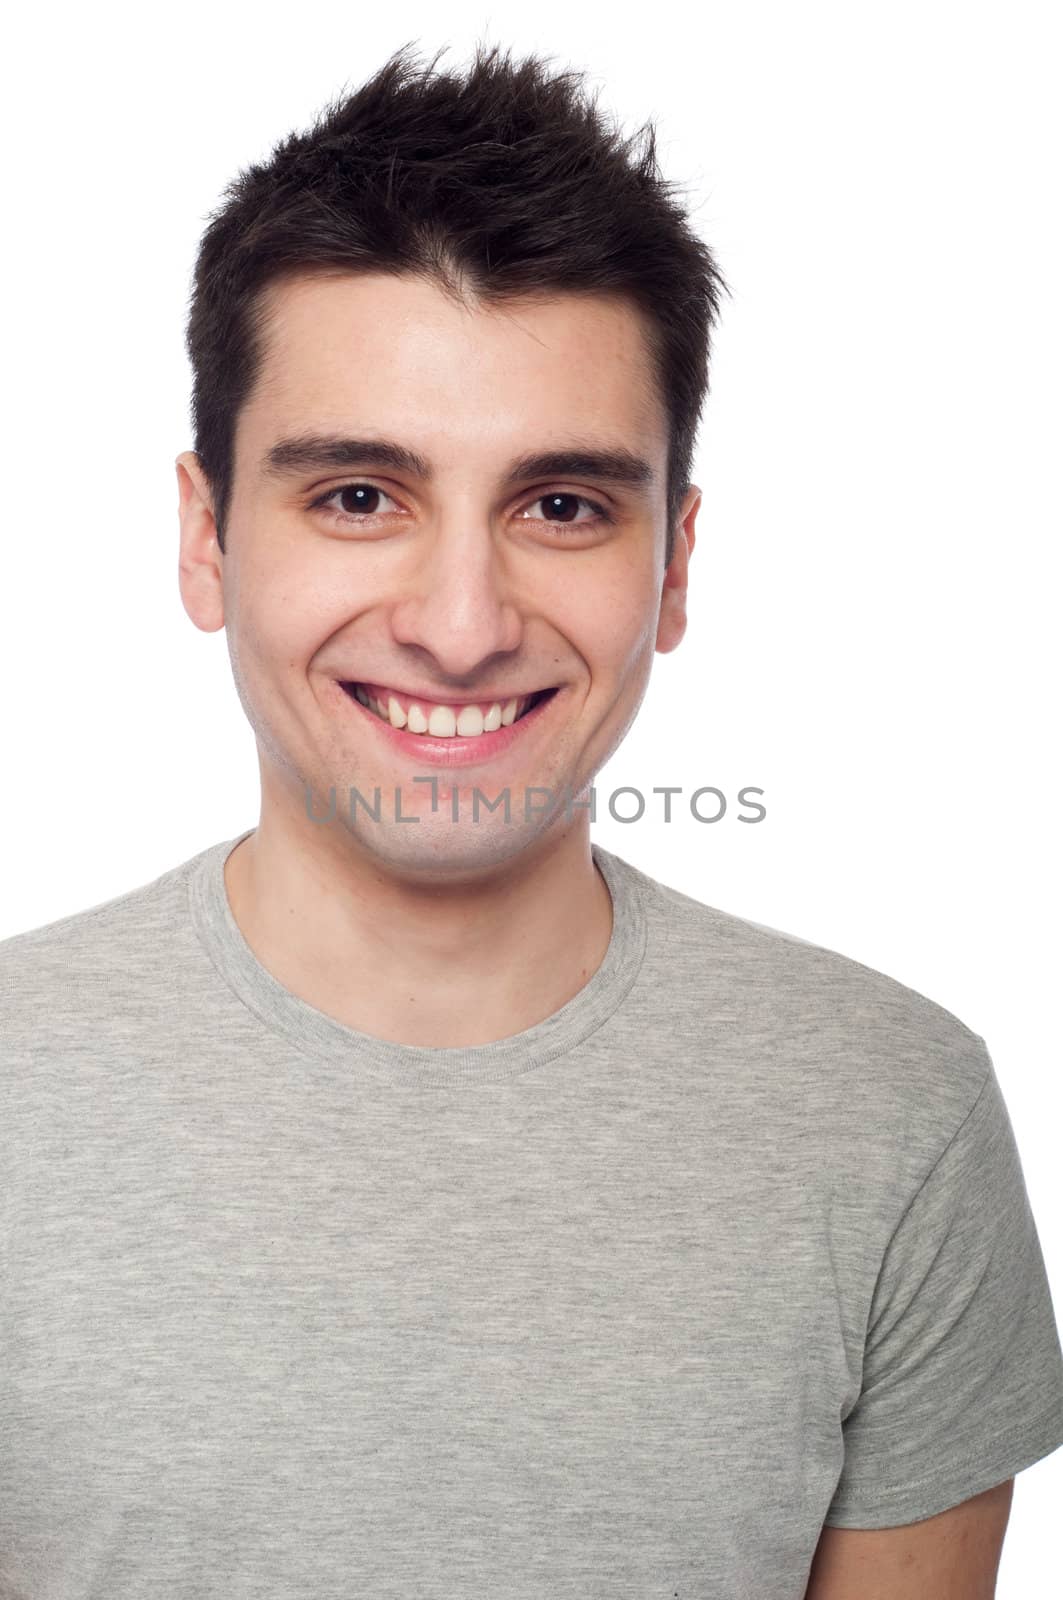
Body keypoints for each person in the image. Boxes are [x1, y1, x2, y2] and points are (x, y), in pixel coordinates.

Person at [1, 38, 1060, 1600]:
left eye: (561, 505)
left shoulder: (892, 1116)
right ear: (206, 537)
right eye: (359, 494)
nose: (459, 621)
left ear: (674, 566)